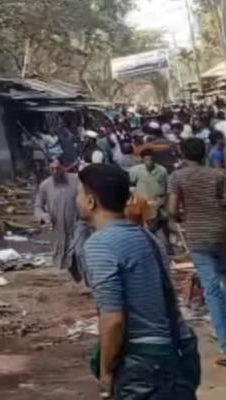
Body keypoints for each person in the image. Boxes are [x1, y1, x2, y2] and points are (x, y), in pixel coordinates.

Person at [79, 164, 199, 400]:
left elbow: (113, 320)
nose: (77, 200)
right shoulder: (147, 236)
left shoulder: (100, 245)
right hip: (178, 351)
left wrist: (106, 372)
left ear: (91, 201)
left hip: (144, 364)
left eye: (79, 194)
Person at [168, 138, 226, 367]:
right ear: (204, 153)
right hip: (222, 232)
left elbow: (172, 210)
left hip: (198, 236)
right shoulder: (218, 176)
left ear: (183, 153)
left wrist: (180, 218)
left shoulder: (177, 178)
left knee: (212, 289)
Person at [35, 159, 84, 283]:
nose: (55, 171)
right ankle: (79, 280)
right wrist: (43, 216)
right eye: (52, 169)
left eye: (58, 168)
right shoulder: (45, 185)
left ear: (64, 167)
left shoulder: (76, 180)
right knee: (65, 256)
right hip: (59, 227)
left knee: (79, 252)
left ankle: (87, 281)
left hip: (78, 223)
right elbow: (38, 206)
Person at [127, 150, 170, 252]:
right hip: (143, 203)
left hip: (158, 202)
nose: (149, 162)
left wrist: (163, 200)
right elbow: (130, 184)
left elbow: (166, 187)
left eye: (151, 159)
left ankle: (168, 246)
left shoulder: (162, 171)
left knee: (164, 221)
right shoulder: (135, 171)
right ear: (142, 160)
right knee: (146, 227)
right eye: (146, 159)